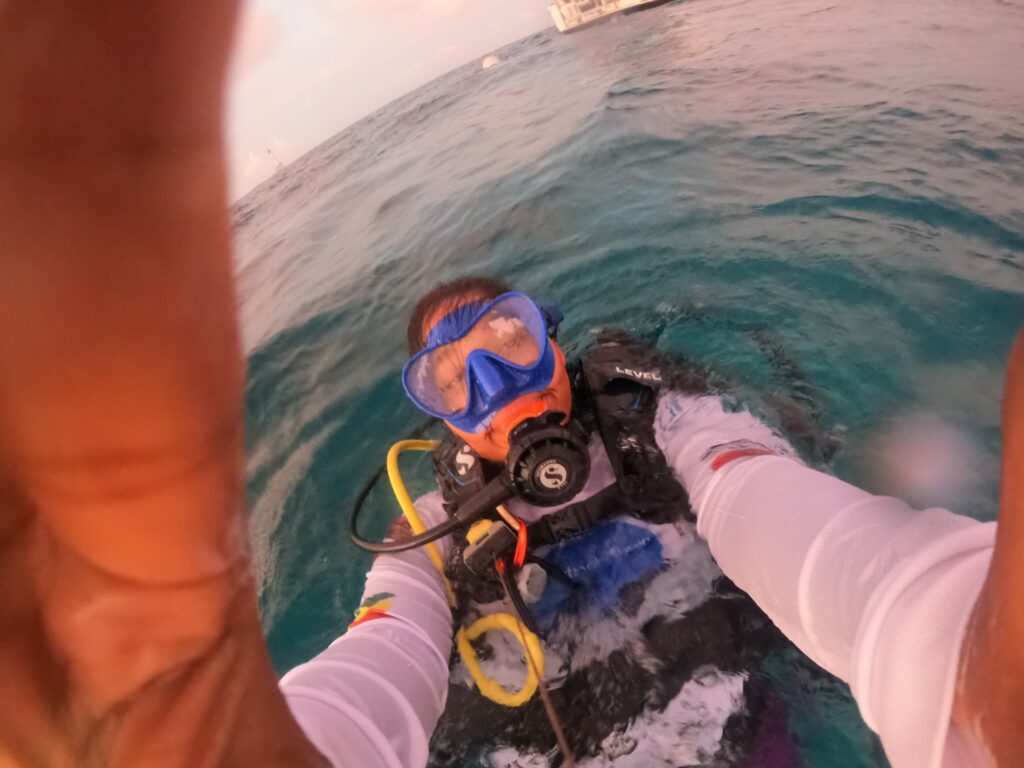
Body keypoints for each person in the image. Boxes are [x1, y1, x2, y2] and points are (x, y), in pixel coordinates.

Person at [1, 2, 1022, 767]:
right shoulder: (430, 537)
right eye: (458, 378)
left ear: (557, 345)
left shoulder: (659, 422)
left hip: (740, 725)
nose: (499, 387)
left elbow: (783, 517)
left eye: (510, 340)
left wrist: (947, 646)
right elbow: (379, 665)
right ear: (440, 417)